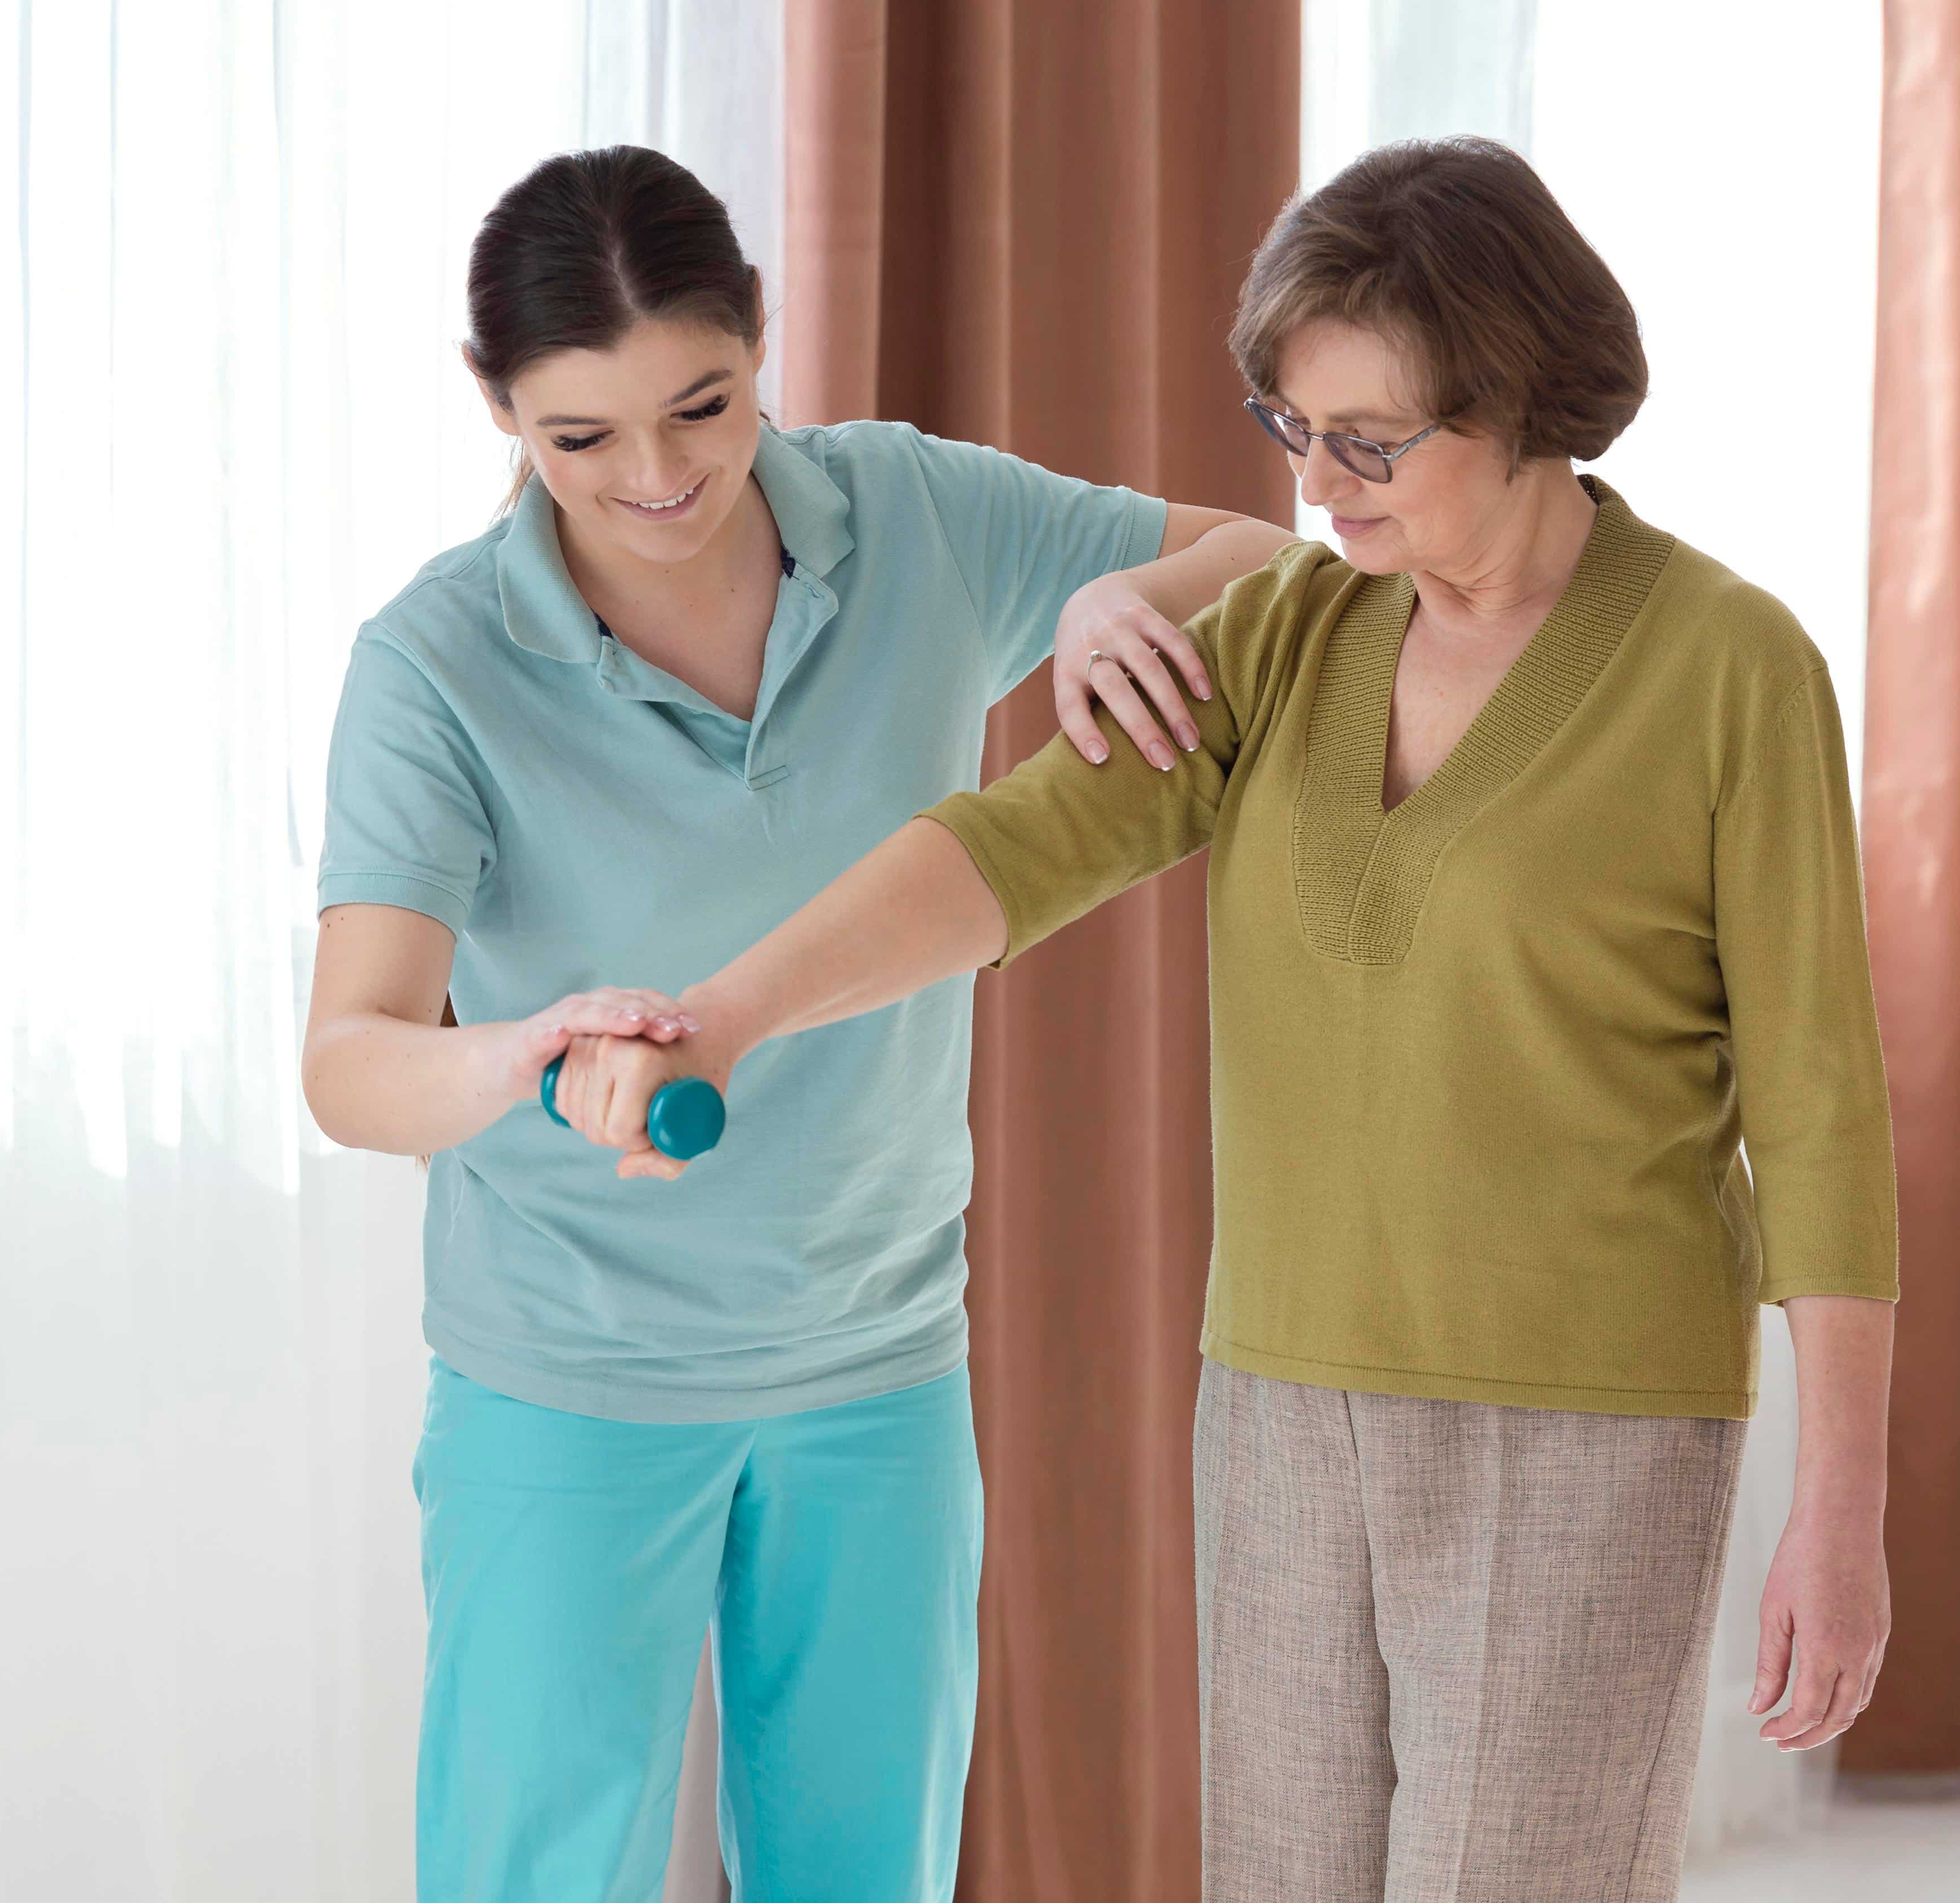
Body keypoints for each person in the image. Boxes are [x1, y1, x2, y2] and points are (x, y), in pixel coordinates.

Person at [554, 137, 1900, 1902]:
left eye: (1371, 440)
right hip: (1276, 1401)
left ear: (1518, 399)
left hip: (1586, 1421)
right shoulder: (1284, 633)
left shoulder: (1728, 666)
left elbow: (1819, 1108)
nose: (1316, 484)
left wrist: (1842, 1508)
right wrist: (728, 1015)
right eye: (1290, 427)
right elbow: (1009, 852)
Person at [296, 145, 1293, 1903]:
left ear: (761, 336)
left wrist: (1111, 596)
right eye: (581, 437)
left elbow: (1265, 564)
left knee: (864, 1874)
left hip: (876, 1357)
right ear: (497, 407)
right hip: (569, 1378)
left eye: (703, 404)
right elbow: (350, 1059)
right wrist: (519, 1051)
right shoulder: (436, 661)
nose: (660, 477)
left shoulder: (910, 513)